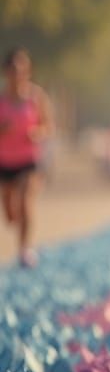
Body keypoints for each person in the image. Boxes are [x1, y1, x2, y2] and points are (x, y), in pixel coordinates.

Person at [0, 48, 53, 268]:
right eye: (13, 69)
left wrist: (38, 133)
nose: (18, 73)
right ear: (6, 72)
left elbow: (48, 125)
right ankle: (13, 216)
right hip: (4, 161)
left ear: (28, 72)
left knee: (25, 204)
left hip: (29, 160)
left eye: (22, 69)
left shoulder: (36, 97)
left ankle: (24, 250)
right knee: (11, 214)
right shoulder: (1, 99)